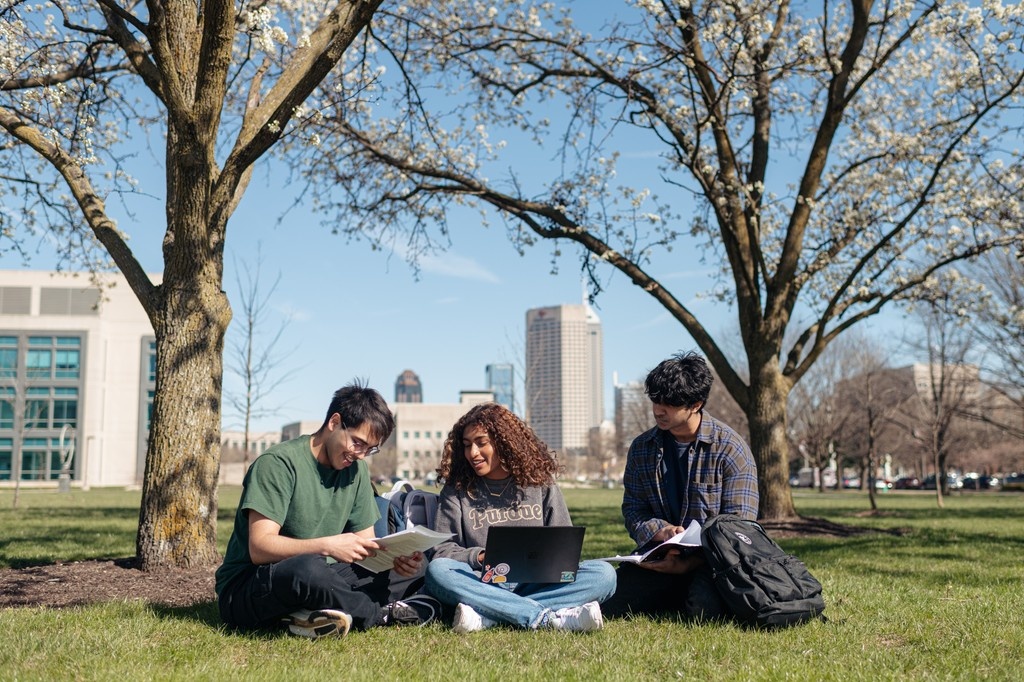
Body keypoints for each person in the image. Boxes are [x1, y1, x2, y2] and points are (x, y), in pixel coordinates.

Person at [215, 382, 440, 639]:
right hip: (251, 585)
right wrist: (328, 546)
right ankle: (378, 615)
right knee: (308, 570)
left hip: (321, 573)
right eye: (358, 442)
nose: (361, 455)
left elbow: (366, 545)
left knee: (420, 568)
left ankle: (310, 614)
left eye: (370, 449)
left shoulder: (356, 470)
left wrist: (396, 560)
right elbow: (260, 548)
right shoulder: (278, 464)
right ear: (334, 422)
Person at [424, 402, 617, 632]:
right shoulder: (457, 490)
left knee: (604, 575)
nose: (473, 453)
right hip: (481, 583)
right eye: (467, 445)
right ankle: (542, 617)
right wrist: (481, 557)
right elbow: (442, 551)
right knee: (438, 572)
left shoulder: (540, 483)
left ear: (504, 442)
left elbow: (564, 544)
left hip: (536, 584)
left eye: (481, 443)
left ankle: (491, 614)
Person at [602, 351, 759, 620]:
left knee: (703, 611)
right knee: (612, 603)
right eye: (655, 400)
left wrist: (690, 563)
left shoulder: (731, 449)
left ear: (696, 404)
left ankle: (683, 594)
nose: (658, 410)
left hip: (713, 562)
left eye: (669, 404)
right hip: (661, 556)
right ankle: (671, 592)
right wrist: (660, 531)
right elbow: (633, 509)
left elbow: (740, 527)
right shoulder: (642, 448)